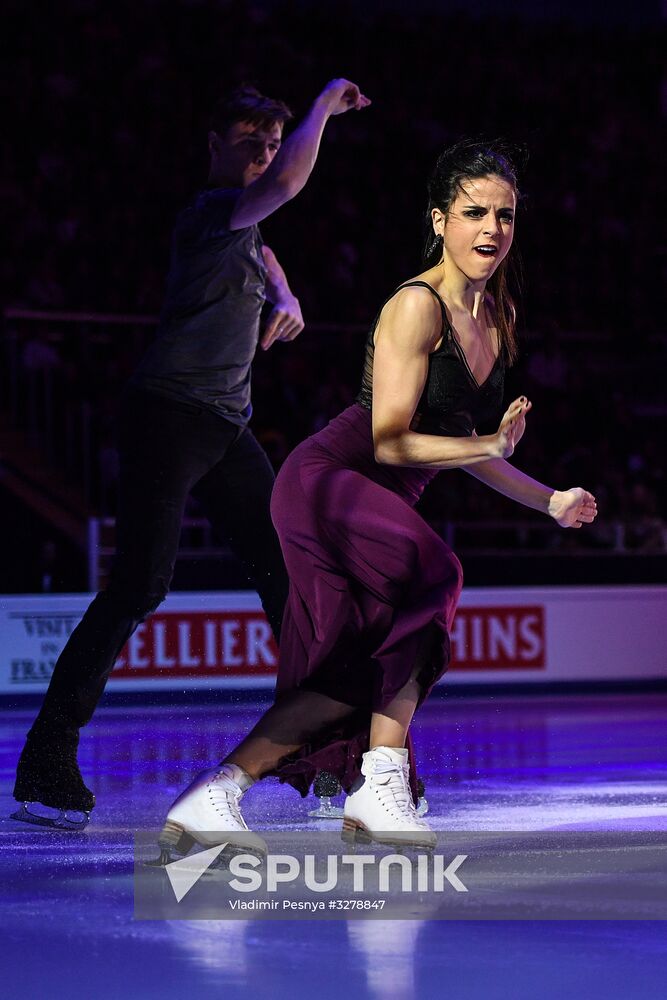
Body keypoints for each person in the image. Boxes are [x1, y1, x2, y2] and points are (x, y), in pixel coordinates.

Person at [159, 139, 599, 855]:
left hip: (371, 501)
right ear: (438, 220)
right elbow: (393, 442)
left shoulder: (496, 318)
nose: (490, 229)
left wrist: (546, 499)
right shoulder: (414, 306)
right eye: (472, 212)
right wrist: (489, 445)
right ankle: (380, 778)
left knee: (362, 662)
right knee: (439, 575)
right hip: (329, 485)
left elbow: (459, 443)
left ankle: (217, 793)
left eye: (504, 216)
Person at [12, 79, 372, 829]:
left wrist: (288, 295)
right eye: (249, 143)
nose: (264, 156)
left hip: (226, 427)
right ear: (214, 146)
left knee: (292, 583)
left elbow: (266, 249)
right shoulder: (208, 214)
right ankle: (47, 760)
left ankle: (316, 757)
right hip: (166, 417)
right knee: (140, 583)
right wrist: (321, 109)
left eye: (271, 143)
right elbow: (281, 190)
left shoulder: (243, 232)